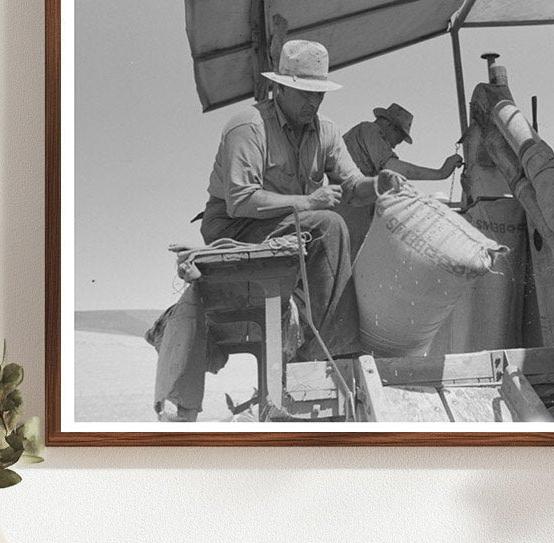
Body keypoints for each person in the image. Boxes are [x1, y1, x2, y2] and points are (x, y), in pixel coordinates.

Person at [151, 40, 405, 421]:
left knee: (331, 224)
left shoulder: (327, 131)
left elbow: (352, 187)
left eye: (319, 95)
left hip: (289, 226)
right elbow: (240, 200)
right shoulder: (247, 126)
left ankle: (324, 351)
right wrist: (307, 202)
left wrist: (379, 184)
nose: (313, 104)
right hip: (238, 228)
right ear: (279, 88)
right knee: (329, 225)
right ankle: (333, 351)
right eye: (305, 94)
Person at [341, 103, 463, 258]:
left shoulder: (362, 140)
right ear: (390, 125)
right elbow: (392, 167)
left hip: (353, 208)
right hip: (350, 210)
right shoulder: (369, 130)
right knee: (350, 263)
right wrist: (440, 173)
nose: (395, 145)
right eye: (399, 138)